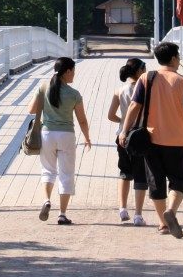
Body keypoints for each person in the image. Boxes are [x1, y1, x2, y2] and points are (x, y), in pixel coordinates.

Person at [117, 42, 183, 238]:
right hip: (177, 141)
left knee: (156, 182)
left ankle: (162, 224)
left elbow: (134, 106)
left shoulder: (147, 78)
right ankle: (172, 211)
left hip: (151, 140)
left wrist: (124, 131)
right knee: (178, 181)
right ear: (175, 58)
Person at [27, 56, 92, 225]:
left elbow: (31, 109)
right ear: (68, 71)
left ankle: (47, 200)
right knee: (66, 174)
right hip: (66, 136)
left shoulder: (43, 87)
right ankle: (62, 214)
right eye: (73, 72)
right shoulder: (74, 94)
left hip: (47, 134)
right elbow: (82, 120)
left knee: (48, 171)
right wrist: (87, 137)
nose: (74, 75)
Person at [107, 57, 149, 226]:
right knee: (141, 175)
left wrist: (123, 122)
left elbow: (110, 115)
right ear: (139, 71)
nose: (146, 70)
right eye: (144, 67)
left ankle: (122, 209)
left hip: (122, 136)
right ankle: (138, 215)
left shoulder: (119, 90)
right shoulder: (146, 89)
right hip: (140, 136)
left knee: (124, 172)